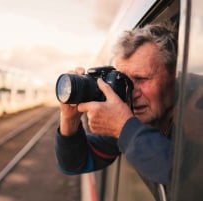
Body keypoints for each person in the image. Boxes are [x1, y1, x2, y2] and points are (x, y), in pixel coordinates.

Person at [55, 22, 178, 199]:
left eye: (141, 79)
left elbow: (190, 178)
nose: (131, 92)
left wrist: (124, 128)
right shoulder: (133, 121)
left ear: (174, 77)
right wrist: (70, 119)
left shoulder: (196, 114)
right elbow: (73, 164)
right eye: (124, 81)